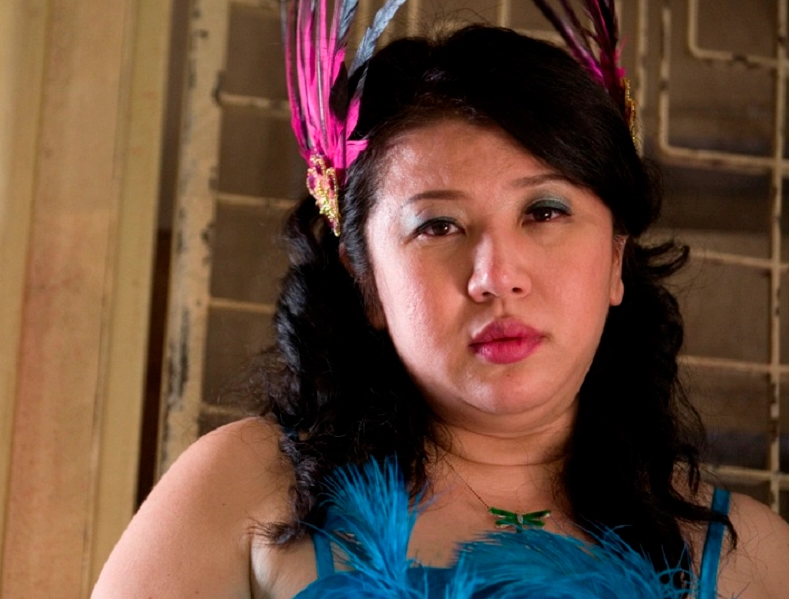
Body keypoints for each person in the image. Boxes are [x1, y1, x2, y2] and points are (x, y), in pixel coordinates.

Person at [92, 2, 789, 597]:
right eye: (438, 225)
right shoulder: (246, 490)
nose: (495, 275)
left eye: (544, 211)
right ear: (366, 281)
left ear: (616, 259)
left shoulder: (746, 560)